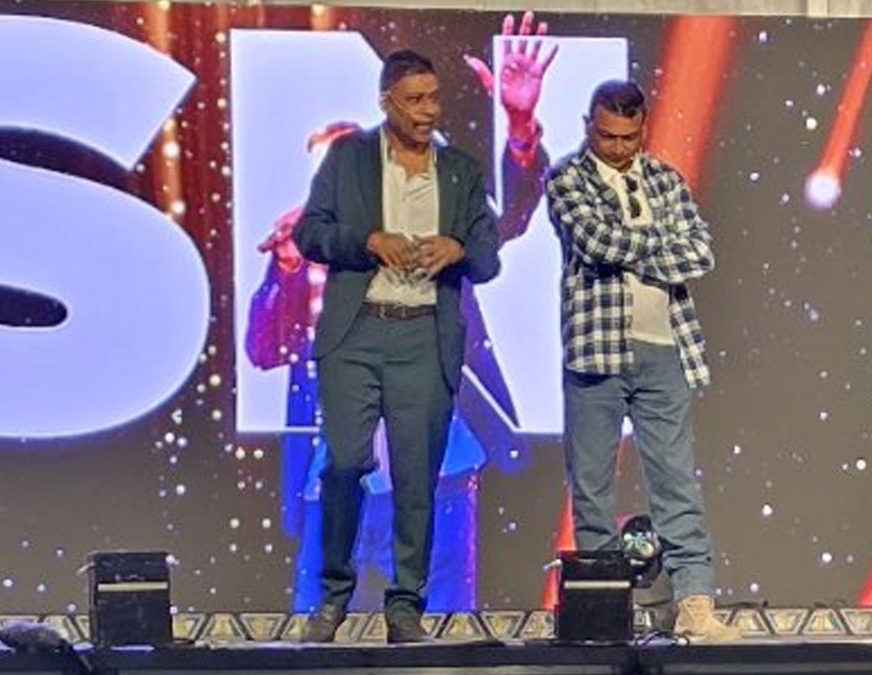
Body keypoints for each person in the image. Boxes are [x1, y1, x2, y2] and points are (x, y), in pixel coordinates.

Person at [292, 49, 501, 643]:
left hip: (423, 336)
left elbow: (488, 256)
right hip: (356, 333)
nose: (428, 110)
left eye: (433, 98)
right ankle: (333, 598)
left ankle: (405, 607)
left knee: (416, 477)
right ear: (386, 102)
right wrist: (369, 241)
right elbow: (310, 233)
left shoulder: (458, 172)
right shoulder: (349, 159)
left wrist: (457, 249)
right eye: (414, 100)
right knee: (344, 463)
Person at [544, 79, 739, 644]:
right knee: (592, 486)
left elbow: (700, 252)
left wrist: (636, 244)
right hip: (596, 351)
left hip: (664, 349)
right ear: (589, 125)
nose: (617, 147)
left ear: (643, 128)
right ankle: (604, 610)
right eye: (607, 136)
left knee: (676, 481)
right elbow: (595, 243)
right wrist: (659, 243)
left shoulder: (665, 181)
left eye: (628, 137)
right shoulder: (567, 178)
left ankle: (695, 603)